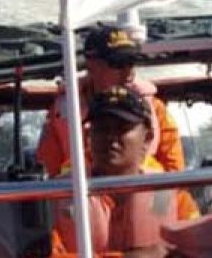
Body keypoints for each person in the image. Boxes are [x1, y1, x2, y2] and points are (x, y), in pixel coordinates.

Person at [48, 86, 188, 258]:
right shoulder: (58, 200)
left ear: (147, 137)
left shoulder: (176, 200)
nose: (109, 139)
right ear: (87, 137)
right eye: (101, 129)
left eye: (122, 128)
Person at [36, 26, 184, 177]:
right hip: (81, 195)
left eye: (131, 62)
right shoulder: (61, 111)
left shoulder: (156, 109)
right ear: (92, 65)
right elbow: (48, 174)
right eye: (118, 63)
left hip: (143, 193)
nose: (129, 72)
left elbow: (176, 175)